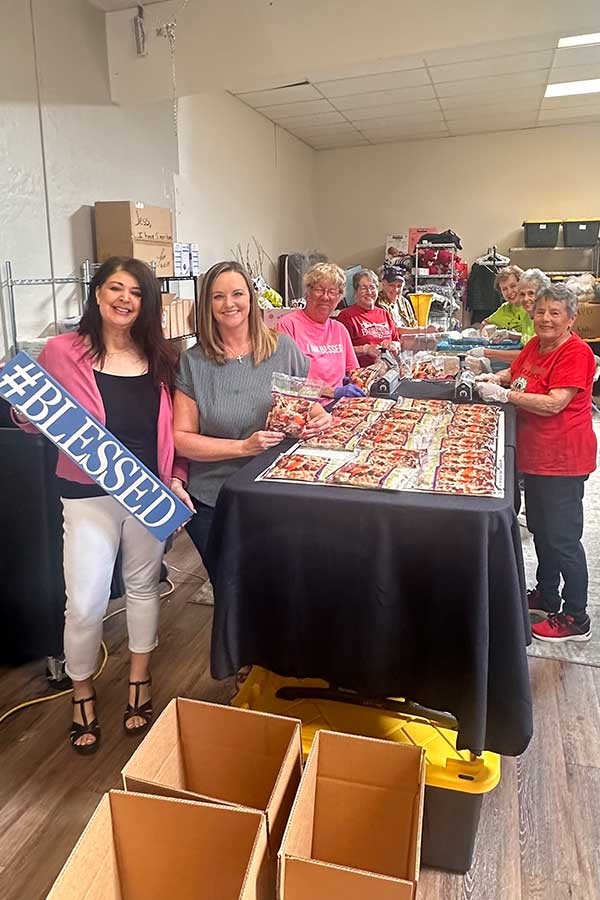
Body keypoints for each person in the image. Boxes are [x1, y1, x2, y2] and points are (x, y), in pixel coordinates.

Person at [11, 257, 192, 753]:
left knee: (142, 588)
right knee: (86, 602)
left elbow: (176, 432)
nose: (125, 299)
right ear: (97, 293)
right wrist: (24, 412)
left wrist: (176, 479)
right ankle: (81, 691)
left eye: (136, 292)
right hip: (86, 494)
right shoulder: (61, 350)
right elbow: (36, 418)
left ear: (146, 302)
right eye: (116, 288)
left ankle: (139, 679)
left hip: (147, 493)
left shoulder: (162, 357)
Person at [173, 261, 331, 579]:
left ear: (251, 298)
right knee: (232, 589)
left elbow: (303, 405)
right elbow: (182, 439)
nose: (229, 304)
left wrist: (320, 417)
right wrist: (243, 447)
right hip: (217, 499)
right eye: (218, 296)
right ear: (207, 304)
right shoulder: (192, 362)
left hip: (280, 494)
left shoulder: (284, 349)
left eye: (237, 294)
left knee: (282, 585)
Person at [476, 282, 596, 642]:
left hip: (563, 459)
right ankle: (546, 594)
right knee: (542, 532)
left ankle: (576, 617)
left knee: (563, 539)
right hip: (537, 457)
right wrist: (494, 377)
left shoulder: (575, 353)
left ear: (571, 318)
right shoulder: (536, 345)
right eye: (541, 311)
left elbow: (555, 402)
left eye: (555, 313)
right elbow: (517, 374)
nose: (545, 318)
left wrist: (505, 395)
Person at [276, 262, 362, 397]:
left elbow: (354, 373)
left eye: (332, 292)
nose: (325, 297)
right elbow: (280, 383)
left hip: (340, 406)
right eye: (319, 290)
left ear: (339, 298)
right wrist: (330, 392)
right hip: (304, 406)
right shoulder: (287, 326)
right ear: (307, 292)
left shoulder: (340, 330)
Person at [470, 268, 549, 366]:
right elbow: (530, 341)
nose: (526, 299)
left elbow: (533, 356)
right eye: (523, 294)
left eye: (531, 293)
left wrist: (487, 353)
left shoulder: (545, 319)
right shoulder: (528, 314)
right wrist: (508, 334)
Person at [337, 269, 399, 367]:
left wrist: (394, 345)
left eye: (372, 287)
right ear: (355, 291)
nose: (369, 292)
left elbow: (397, 341)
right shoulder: (346, 316)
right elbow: (339, 350)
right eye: (363, 288)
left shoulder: (385, 314)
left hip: (389, 370)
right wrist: (365, 349)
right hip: (362, 372)